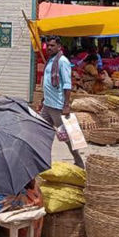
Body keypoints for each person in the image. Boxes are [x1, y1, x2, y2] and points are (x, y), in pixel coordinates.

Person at [40, 35, 85, 169]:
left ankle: (78, 161)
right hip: (47, 105)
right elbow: (48, 81)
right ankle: (42, 160)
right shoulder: (50, 60)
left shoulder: (62, 61)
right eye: (48, 45)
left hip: (57, 107)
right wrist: (43, 99)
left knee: (65, 136)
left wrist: (66, 105)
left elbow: (67, 84)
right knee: (42, 132)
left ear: (59, 47)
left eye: (52, 45)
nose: (49, 48)